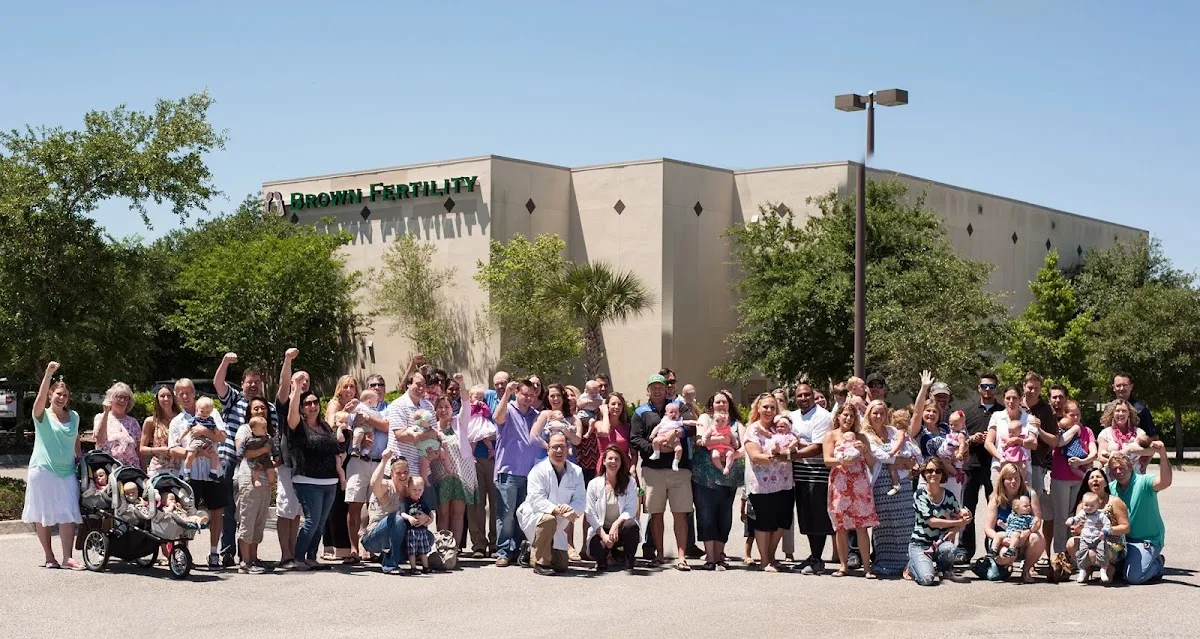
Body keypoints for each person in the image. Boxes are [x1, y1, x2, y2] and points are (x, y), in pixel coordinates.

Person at [213, 350, 293, 567]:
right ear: (242, 383)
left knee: (254, 510)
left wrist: (274, 458)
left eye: (257, 382)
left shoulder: (271, 409)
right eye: (250, 382)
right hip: (232, 460)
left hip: (260, 464)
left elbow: (275, 436)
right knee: (230, 508)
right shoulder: (233, 400)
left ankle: (248, 556)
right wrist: (226, 362)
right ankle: (229, 552)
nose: (253, 385)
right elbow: (218, 383)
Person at [630, 374, 695, 570]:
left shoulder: (678, 406)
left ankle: (681, 556)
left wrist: (676, 433)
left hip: (679, 470)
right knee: (656, 514)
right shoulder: (640, 412)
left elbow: (691, 427)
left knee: (680, 514)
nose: (657, 390)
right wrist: (654, 449)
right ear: (648, 390)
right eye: (653, 387)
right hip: (653, 470)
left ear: (666, 388)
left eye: (661, 386)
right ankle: (659, 554)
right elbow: (635, 438)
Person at [23, 361, 82, 570]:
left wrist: (79, 456)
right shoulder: (42, 415)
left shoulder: (74, 416)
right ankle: (49, 556)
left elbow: (75, 438)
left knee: (69, 511)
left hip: (67, 471)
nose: (62, 398)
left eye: (65, 395)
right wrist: (48, 375)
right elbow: (37, 402)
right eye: (58, 394)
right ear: (50, 396)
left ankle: (68, 557)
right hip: (43, 470)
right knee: (43, 513)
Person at [167, 378, 228, 569]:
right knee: (185, 513)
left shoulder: (212, 412)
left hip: (212, 471)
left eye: (188, 392)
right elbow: (172, 449)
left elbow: (223, 436)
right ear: (177, 397)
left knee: (217, 511)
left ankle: (213, 553)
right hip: (190, 473)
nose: (185, 397)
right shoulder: (178, 421)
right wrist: (195, 453)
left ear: (194, 393)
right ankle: (183, 554)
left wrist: (206, 432)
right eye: (181, 393)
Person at [285, 383, 343, 570]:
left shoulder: (325, 426)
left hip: (330, 481)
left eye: (315, 402)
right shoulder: (298, 426)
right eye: (307, 403)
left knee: (320, 523)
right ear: (301, 408)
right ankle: (299, 558)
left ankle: (311, 556)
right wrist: (295, 392)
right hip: (307, 480)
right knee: (311, 520)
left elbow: (336, 448)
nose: (312, 406)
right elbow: (291, 412)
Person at [516, 431, 586, 575]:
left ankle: (529, 549)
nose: (559, 450)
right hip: (535, 517)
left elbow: (580, 500)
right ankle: (540, 563)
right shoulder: (538, 471)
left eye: (562, 447)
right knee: (549, 519)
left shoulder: (577, 472)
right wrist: (558, 509)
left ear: (568, 449)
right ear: (548, 450)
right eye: (555, 447)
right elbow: (536, 501)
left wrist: (572, 509)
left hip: (558, 523)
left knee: (561, 566)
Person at [862, 395, 917, 578]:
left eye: (882, 412)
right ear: (869, 415)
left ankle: (908, 563)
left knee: (906, 523)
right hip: (880, 484)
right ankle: (885, 562)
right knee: (885, 525)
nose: (878, 416)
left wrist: (907, 461)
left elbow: (909, 452)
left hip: (902, 483)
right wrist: (901, 460)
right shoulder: (866, 436)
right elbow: (880, 456)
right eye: (875, 413)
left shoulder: (893, 431)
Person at [742, 394, 796, 573]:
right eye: (765, 407)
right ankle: (764, 560)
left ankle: (771, 556)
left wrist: (789, 451)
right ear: (758, 408)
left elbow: (793, 443)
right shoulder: (753, 429)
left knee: (781, 522)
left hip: (785, 483)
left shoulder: (779, 427)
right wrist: (778, 456)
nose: (769, 411)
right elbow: (755, 456)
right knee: (764, 523)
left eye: (772, 407)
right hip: (762, 485)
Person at [823, 402, 878, 578]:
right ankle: (843, 566)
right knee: (841, 526)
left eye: (851, 416)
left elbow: (871, 463)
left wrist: (865, 451)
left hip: (860, 484)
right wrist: (842, 462)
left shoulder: (861, 436)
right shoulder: (831, 435)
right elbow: (827, 460)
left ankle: (867, 568)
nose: (848, 418)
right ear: (838, 416)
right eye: (844, 415)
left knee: (861, 526)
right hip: (840, 483)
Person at [491, 379, 542, 567]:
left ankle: (521, 550)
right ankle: (503, 551)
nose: (528, 398)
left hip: (530, 474)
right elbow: (497, 417)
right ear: (517, 393)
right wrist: (506, 393)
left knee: (524, 514)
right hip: (508, 471)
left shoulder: (535, 415)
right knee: (506, 514)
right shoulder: (508, 409)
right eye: (524, 394)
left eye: (531, 395)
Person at [1106, 440, 1170, 584]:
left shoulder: (1144, 482)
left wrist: (1162, 454)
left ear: (1130, 466)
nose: (1118, 471)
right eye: (1114, 469)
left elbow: (1165, 481)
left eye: (1121, 467)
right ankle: (1125, 564)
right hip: (1121, 541)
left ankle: (1157, 563)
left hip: (1146, 540)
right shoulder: (1110, 488)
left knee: (1134, 577)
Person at [692, 390, 743, 570]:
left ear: (729, 404)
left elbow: (744, 447)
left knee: (724, 516)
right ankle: (710, 558)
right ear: (712, 405)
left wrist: (731, 456)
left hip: (728, 477)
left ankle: (720, 556)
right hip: (704, 477)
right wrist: (722, 439)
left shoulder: (736, 424)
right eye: (717, 402)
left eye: (724, 402)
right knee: (706, 515)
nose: (721, 405)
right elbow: (701, 440)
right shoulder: (705, 419)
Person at [385, 371, 441, 525]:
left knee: (421, 513)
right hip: (402, 471)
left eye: (424, 385)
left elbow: (435, 433)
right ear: (408, 384)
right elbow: (401, 435)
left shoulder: (428, 406)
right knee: (400, 514)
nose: (421, 388)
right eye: (417, 384)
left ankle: (417, 546)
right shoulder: (398, 405)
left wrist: (425, 437)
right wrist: (426, 434)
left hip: (422, 471)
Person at [789, 382, 834, 575]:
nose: (804, 399)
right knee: (806, 516)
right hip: (799, 474)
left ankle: (817, 558)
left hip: (817, 474)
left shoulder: (822, 416)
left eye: (807, 395)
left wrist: (792, 455)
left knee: (818, 517)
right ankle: (813, 555)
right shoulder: (792, 416)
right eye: (800, 395)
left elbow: (818, 446)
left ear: (813, 396)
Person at [959, 372, 1003, 563]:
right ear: (978, 388)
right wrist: (971, 439)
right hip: (971, 465)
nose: (987, 389)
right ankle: (965, 549)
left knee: (995, 508)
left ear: (996, 389)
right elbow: (958, 438)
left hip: (994, 467)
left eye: (991, 386)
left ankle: (992, 547)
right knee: (967, 508)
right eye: (984, 386)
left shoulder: (1002, 412)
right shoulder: (967, 412)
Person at [430, 374, 478, 549]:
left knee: (458, 514)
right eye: (440, 407)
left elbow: (466, 403)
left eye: (447, 406)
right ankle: (442, 547)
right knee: (443, 514)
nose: (444, 410)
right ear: (435, 410)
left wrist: (462, 384)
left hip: (461, 473)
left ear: (452, 408)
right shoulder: (431, 429)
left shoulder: (460, 423)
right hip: (440, 475)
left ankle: (454, 549)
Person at [908, 457, 972, 585]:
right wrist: (958, 524)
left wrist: (959, 525)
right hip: (920, 545)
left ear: (942, 474)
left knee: (950, 548)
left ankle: (945, 570)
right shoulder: (920, 494)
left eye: (937, 471)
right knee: (926, 580)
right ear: (924, 473)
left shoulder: (949, 496)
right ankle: (912, 565)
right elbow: (931, 521)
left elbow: (961, 517)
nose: (933, 474)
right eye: (929, 471)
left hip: (940, 543)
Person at [345, 385, 390, 562]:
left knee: (376, 509)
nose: (377, 388)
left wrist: (367, 418)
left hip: (379, 463)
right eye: (373, 385)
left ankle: (371, 548)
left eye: (380, 385)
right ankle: (354, 549)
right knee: (354, 505)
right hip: (358, 462)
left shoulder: (388, 408)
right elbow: (351, 423)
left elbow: (385, 426)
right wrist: (361, 417)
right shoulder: (357, 406)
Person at [983, 462, 1046, 583]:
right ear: (1002, 480)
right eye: (1009, 478)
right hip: (1002, 539)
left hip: (1023, 536)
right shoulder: (996, 498)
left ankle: (1026, 570)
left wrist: (1027, 532)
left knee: (1037, 538)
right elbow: (988, 528)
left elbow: (1037, 520)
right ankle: (1003, 565)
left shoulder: (1030, 494)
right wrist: (1002, 539)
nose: (1013, 482)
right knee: (1007, 555)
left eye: (1016, 478)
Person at [361, 452, 424, 574]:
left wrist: (428, 518)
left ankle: (390, 555)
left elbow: (421, 508)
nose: (403, 475)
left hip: (394, 537)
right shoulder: (386, 486)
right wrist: (384, 460)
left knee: (428, 537)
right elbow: (374, 483)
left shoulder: (408, 490)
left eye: (405, 472)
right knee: (397, 519)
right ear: (391, 474)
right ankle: (390, 565)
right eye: (398, 473)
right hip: (373, 538)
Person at [1066, 468, 1130, 584]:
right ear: (1088, 484)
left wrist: (1107, 530)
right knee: (1071, 543)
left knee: (1091, 552)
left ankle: (1109, 567)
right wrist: (1077, 529)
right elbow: (1078, 531)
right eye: (1091, 478)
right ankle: (1087, 568)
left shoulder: (1114, 502)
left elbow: (1126, 527)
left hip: (1112, 544)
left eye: (1098, 477)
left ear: (1105, 482)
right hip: (1090, 540)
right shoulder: (1083, 505)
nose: (1095, 480)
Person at [1049, 400, 1097, 554]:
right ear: (1064, 415)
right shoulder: (1060, 428)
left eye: (1078, 415)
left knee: (1076, 517)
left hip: (1080, 478)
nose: (1076, 418)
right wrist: (1074, 428)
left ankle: (1074, 553)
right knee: (1061, 517)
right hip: (1061, 478)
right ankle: (1059, 552)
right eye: (1072, 415)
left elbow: (1093, 453)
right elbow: (1059, 443)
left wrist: (1081, 462)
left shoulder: (1087, 431)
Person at [585, 446, 640, 571]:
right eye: (610, 458)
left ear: (621, 463)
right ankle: (604, 558)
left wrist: (616, 524)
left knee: (631, 526)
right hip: (601, 529)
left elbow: (631, 509)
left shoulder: (630, 482)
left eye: (617, 459)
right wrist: (603, 535)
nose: (613, 462)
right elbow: (590, 513)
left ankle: (628, 558)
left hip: (620, 528)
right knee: (597, 549)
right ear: (604, 461)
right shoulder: (594, 484)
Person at [275, 368, 308, 570]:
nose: (303, 382)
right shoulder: (285, 404)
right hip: (287, 463)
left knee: (296, 511)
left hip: (303, 465)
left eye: (306, 380)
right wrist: (288, 362)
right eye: (299, 379)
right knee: (285, 509)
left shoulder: (309, 405)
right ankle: (285, 555)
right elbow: (283, 384)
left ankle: (293, 552)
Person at [233, 408, 274, 573]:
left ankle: (254, 558)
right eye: (255, 408)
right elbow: (244, 453)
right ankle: (245, 561)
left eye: (263, 408)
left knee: (259, 521)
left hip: (264, 481)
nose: (260, 411)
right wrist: (264, 450)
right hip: (248, 478)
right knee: (248, 520)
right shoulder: (245, 429)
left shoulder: (267, 432)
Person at [984, 386, 1035, 481]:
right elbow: (988, 443)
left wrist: (1018, 441)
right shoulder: (996, 416)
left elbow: (1034, 444)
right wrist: (1001, 459)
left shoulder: (1029, 418)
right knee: (1000, 496)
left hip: (1022, 467)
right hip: (1000, 466)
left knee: (1022, 496)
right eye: (1008, 398)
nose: (1011, 401)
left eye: (1015, 398)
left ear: (1020, 399)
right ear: (1003, 400)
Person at [1065, 492, 1113, 583]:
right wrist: (1071, 520)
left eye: (1092, 506)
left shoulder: (1100, 515)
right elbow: (1077, 518)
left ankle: (1103, 569)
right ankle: (1083, 570)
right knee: (1081, 553)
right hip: (1085, 538)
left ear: (1097, 505)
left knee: (1102, 552)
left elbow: (1107, 524)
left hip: (1098, 538)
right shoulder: (1083, 513)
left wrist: (1104, 531)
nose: (1088, 508)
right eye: (1086, 505)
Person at [93, 382, 141, 469]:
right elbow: (99, 439)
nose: (122, 400)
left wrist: (144, 472)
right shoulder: (100, 417)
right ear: (111, 398)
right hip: (108, 468)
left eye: (126, 398)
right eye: (119, 397)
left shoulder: (133, 422)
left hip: (132, 470)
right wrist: (106, 412)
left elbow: (139, 451)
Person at [1097, 399, 1149, 473]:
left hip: (1135, 475)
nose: (1120, 414)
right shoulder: (1105, 433)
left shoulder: (1139, 433)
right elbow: (1101, 457)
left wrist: (1130, 450)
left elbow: (1150, 451)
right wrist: (1119, 465)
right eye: (1117, 411)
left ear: (1129, 414)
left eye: (1124, 411)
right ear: (1112, 414)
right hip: (1112, 476)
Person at [141, 385, 181, 478]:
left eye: (169, 396)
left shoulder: (181, 419)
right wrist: (158, 450)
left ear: (173, 398)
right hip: (158, 470)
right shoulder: (151, 421)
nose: (166, 399)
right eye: (162, 396)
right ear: (157, 399)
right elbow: (142, 449)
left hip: (179, 469)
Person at [402, 477, 436, 574]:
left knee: (423, 550)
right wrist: (409, 517)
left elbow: (430, 513)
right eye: (414, 490)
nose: (417, 492)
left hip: (422, 530)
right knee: (411, 550)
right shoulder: (407, 501)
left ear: (423, 490)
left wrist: (430, 520)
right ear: (408, 488)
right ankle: (413, 567)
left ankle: (426, 567)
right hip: (411, 530)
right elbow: (401, 513)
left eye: (420, 490)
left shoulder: (423, 502)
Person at [182, 397, 221, 479]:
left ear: (211, 411)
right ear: (197, 409)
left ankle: (213, 472)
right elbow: (187, 429)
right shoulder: (194, 419)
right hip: (196, 440)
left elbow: (215, 429)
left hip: (207, 440)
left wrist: (216, 431)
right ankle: (187, 472)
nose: (204, 414)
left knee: (214, 456)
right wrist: (181, 437)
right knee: (190, 455)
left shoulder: (211, 420)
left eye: (207, 412)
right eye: (202, 411)